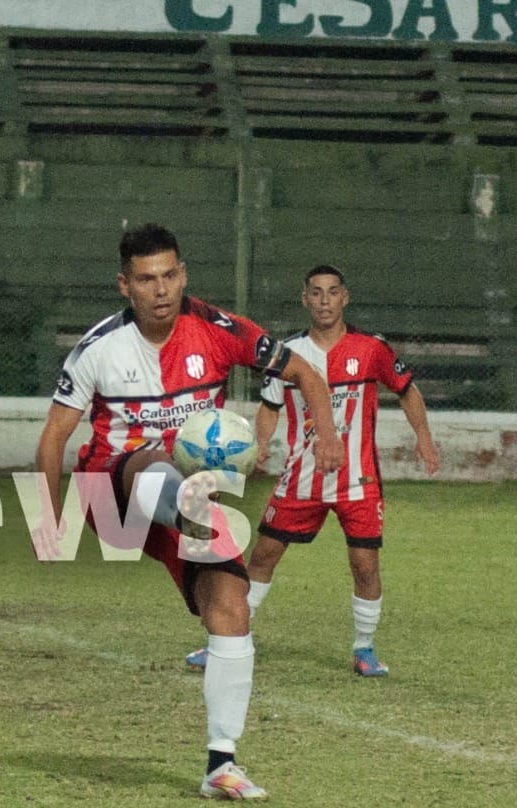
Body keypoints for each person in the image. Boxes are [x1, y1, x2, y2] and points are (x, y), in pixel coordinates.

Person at [32, 223, 343, 801]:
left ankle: (220, 764)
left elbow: (304, 373)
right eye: (146, 279)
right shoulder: (98, 348)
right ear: (124, 285)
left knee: (231, 606)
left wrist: (326, 435)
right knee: (153, 463)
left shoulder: (220, 330)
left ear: (184, 275)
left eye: (170, 275)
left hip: (186, 498)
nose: (161, 289)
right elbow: (53, 438)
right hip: (112, 487)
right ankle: (197, 514)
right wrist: (48, 519)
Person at [185, 265, 440, 677]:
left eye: (332, 292)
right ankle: (229, 639)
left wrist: (424, 437)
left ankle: (365, 649)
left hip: (358, 479)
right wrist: (261, 444)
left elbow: (407, 389)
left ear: (345, 297)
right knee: (264, 555)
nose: (324, 301)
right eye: (316, 293)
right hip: (301, 477)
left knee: (365, 564)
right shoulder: (288, 354)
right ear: (305, 299)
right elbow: (269, 407)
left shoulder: (370, 348)